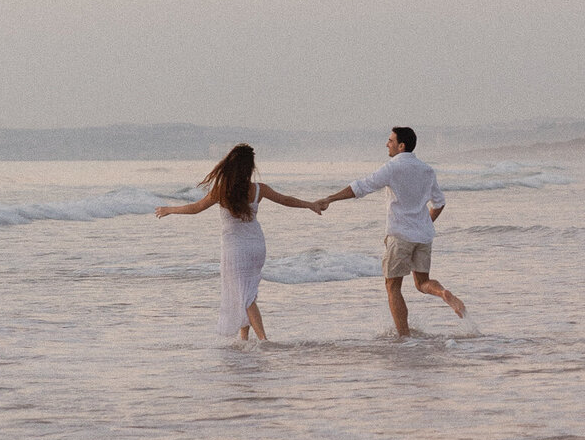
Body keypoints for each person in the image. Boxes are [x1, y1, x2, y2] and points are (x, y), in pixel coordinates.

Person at [156, 143, 325, 341]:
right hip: (257, 246)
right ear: (249, 168)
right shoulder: (258, 189)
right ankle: (243, 340)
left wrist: (170, 210)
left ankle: (263, 340)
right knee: (246, 292)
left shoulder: (222, 191)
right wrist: (310, 205)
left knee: (245, 295)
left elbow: (196, 208)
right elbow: (285, 200)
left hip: (236, 249)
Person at [318, 127, 465, 337]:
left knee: (392, 286)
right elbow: (439, 202)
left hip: (400, 236)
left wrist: (330, 198)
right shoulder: (426, 169)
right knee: (422, 282)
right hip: (423, 237)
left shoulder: (393, 167)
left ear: (401, 145)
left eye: (390, 141)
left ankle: (403, 337)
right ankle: (443, 293)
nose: (387, 144)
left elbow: (361, 187)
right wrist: (426, 223)